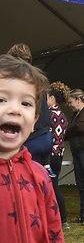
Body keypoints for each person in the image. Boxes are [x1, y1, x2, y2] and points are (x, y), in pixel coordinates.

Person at [0, 54, 63, 242]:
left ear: (35, 120)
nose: (15, 109)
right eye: (0, 100)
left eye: (26, 103)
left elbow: (54, 229)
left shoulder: (40, 174)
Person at [7, 43, 53, 169]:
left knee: (25, 179)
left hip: (31, 138)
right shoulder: (37, 79)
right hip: (46, 136)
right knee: (42, 179)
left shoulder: (15, 81)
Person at [47, 81, 70, 229]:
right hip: (59, 154)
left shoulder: (48, 115)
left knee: (50, 188)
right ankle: (63, 220)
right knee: (55, 187)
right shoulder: (63, 116)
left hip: (50, 154)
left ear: (53, 98)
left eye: (47, 97)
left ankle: (57, 219)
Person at [67, 88, 84, 224]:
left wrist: (69, 130)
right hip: (77, 153)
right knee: (81, 185)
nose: (70, 105)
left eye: (71, 102)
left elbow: (79, 128)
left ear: (79, 100)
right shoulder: (75, 115)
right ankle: (83, 215)